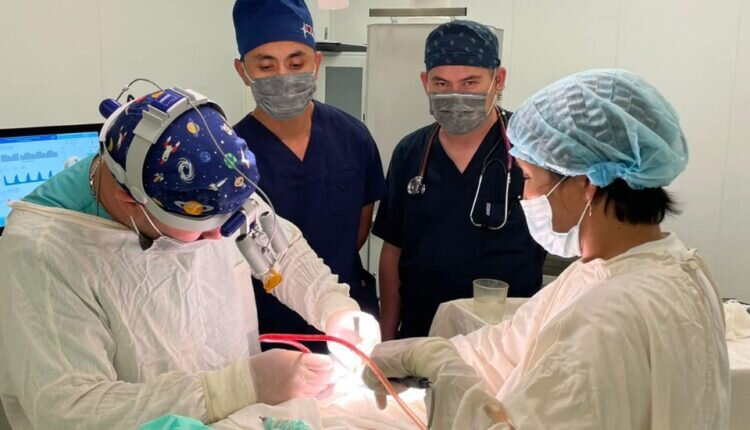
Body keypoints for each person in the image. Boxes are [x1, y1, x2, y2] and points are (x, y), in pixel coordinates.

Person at [363, 69, 730, 429]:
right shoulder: (651, 268)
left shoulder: (609, 314)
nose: (522, 194)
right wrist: (424, 355)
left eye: (526, 177)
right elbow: (509, 347)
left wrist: (443, 371)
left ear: (586, 184)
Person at [0, 87, 379, 430]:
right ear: (130, 201)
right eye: (200, 228)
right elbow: (71, 410)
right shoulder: (43, 254)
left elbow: (277, 247)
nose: (219, 237)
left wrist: (334, 308)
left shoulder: (206, 171)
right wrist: (238, 386)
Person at [372, 20, 545, 340]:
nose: (455, 95)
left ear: (498, 80)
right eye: (441, 83)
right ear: (424, 82)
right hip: (421, 335)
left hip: (505, 341)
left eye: (470, 82)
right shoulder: (411, 152)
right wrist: (386, 337)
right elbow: (392, 250)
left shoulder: (531, 149)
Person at [231, 0, 386, 351]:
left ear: (315, 63)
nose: (283, 76)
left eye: (296, 62)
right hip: (267, 330)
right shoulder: (231, 158)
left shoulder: (353, 138)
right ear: (243, 71)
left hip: (346, 320)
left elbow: (360, 229)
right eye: (265, 65)